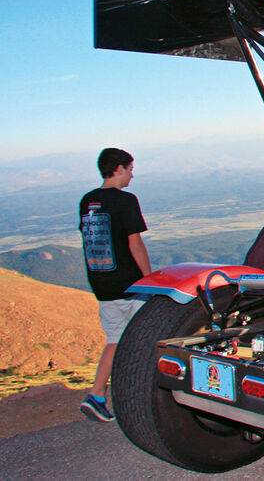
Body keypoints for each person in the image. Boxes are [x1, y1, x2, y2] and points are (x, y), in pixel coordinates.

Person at [78, 147, 152, 422]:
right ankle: (145, 401)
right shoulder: (126, 200)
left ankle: (96, 395)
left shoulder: (87, 201)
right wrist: (149, 280)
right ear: (119, 168)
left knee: (115, 340)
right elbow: (135, 243)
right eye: (130, 169)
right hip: (131, 285)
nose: (132, 175)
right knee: (148, 341)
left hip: (102, 284)